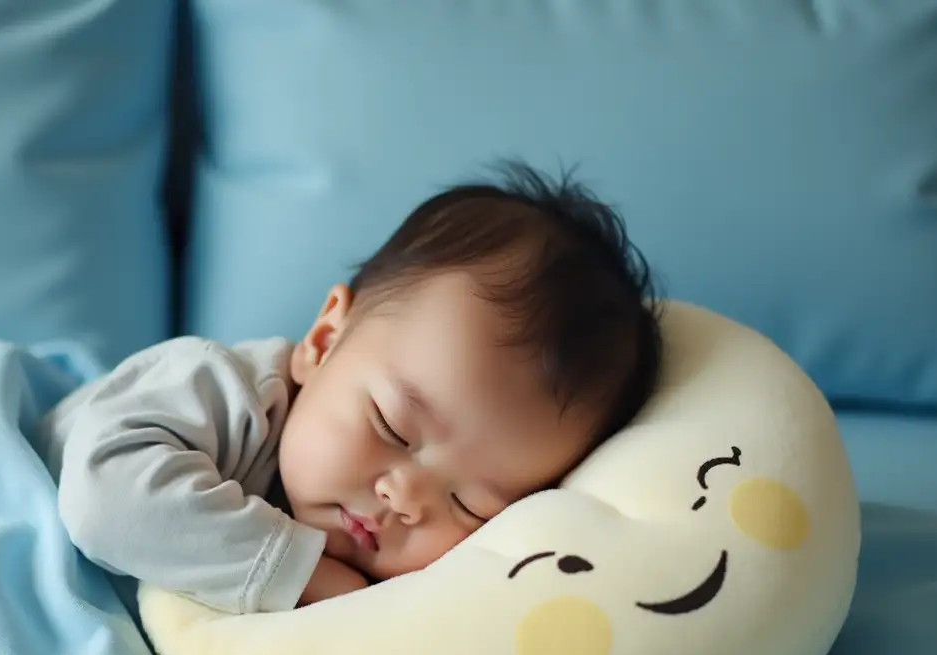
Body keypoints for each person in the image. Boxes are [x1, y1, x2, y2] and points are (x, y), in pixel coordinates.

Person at [37, 160, 663, 613]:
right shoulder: (222, 394)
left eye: (472, 506)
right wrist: (307, 578)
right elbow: (104, 501)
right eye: (392, 426)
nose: (406, 497)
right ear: (323, 340)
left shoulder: (400, 596)